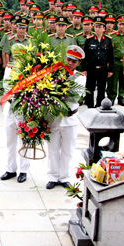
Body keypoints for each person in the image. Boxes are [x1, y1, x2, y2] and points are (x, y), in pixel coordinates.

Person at [46, 45, 87, 189]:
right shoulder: (54, 73)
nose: (70, 63)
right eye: (68, 60)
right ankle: (53, 176)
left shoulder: (80, 78)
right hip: (55, 117)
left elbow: (74, 97)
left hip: (70, 118)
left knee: (67, 150)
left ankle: (64, 177)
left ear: (78, 63)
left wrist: (56, 91)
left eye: (74, 61)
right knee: (52, 149)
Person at [82, 17, 114, 108]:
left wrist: (111, 69)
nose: (98, 28)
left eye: (100, 27)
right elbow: (85, 56)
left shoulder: (108, 40)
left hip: (103, 68)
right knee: (90, 88)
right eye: (96, 26)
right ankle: (90, 106)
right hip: (91, 68)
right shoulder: (89, 40)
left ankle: (99, 106)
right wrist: (84, 69)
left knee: (101, 88)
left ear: (104, 28)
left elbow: (111, 56)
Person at [108, 15, 124, 106]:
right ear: (117, 25)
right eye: (120, 24)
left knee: (123, 81)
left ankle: (121, 97)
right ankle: (112, 97)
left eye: (123, 24)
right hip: (115, 61)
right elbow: (109, 51)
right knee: (113, 82)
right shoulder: (112, 36)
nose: (121, 26)